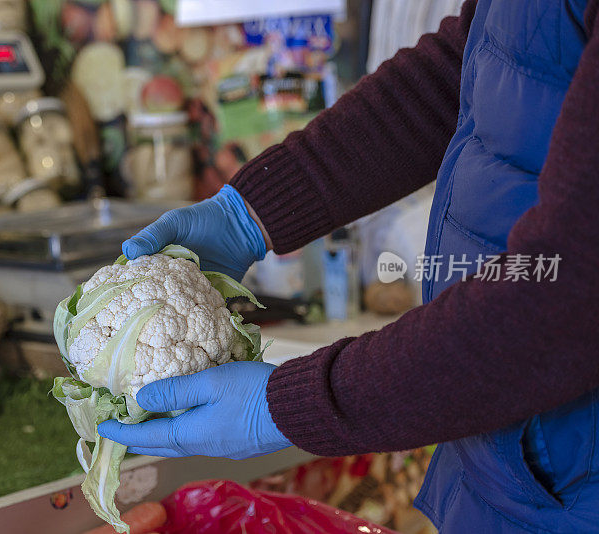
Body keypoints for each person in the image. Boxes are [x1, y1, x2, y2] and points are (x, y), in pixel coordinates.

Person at [99, 1, 599, 531]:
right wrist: (252, 213)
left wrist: (291, 406)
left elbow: (568, 293)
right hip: (512, 460)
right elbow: (474, 65)